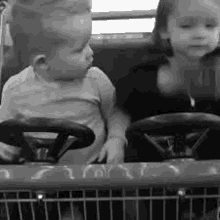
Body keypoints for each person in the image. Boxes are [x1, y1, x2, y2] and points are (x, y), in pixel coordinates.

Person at [0, 0, 129, 165]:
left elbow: (116, 114)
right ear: (42, 63)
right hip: (36, 177)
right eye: (80, 49)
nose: (90, 52)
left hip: (92, 176)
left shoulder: (96, 81)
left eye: (87, 43)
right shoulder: (14, 90)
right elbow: (6, 143)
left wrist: (116, 139)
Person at [116, 0, 220, 163]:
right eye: (186, 26)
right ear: (164, 30)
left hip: (211, 173)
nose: (200, 34)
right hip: (151, 172)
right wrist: (116, 141)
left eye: (210, 26)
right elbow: (122, 111)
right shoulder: (142, 76)